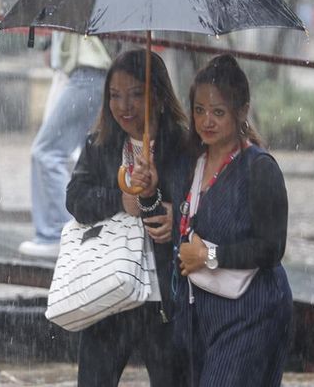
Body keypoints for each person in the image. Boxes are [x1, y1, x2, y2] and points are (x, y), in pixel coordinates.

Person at [65, 50, 190, 386]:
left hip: (165, 295)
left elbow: (203, 201)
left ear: (159, 97)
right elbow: (75, 198)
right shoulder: (100, 144)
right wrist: (118, 200)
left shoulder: (184, 144)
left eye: (136, 94)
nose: (123, 106)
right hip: (109, 288)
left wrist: (175, 214)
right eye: (114, 96)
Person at [173, 55, 292, 386]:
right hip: (201, 313)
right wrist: (144, 191)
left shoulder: (259, 168)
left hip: (252, 311)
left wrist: (210, 255)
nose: (206, 121)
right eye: (199, 110)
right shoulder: (190, 162)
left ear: (241, 111)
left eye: (218, 112)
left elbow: (271, 248)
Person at [19, 33, 112, 258]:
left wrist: (50, 44)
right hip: (92, 73)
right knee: (86, 158)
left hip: (87, 72)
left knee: (46, 152)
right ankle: (80, 234)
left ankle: (57, 233)